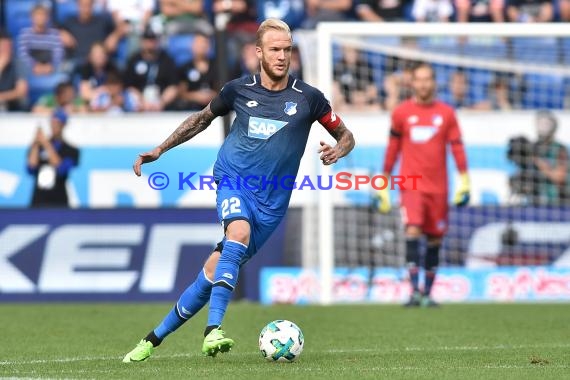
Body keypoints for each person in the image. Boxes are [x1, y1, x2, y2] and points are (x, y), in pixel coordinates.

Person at [123, 18, 355, 362]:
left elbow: (346, 135)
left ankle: (151, 340)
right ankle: (212, 330)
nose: (282, 56)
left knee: (213, 271)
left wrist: (338, 150)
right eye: (275, 49)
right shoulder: (238, 89)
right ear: (258, 52)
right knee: (239, 230)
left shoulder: (309, 99)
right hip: (233, 178)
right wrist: (160, 149)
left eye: (287, 50)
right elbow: (201, 119)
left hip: (272, 202)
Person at [376, 62, 470, 307]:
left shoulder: (447, 113)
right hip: (411, 185)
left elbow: (457, 147)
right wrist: (383, 179)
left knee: (434, 239)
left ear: (434, 82)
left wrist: (465, 179)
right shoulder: (401, 113)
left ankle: (427, 293)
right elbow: (393, 148)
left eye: (428, 78)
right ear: (412, 82)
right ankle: (413, 292)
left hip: (439, 188)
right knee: (413, 230)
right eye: (419, 79)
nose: (423, 83)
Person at [27, 109, 80, 208]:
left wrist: (47, 144)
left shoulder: (71, 150)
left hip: (59, 199)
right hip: (38, 199)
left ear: (63, 125)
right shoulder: (39, 146)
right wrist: (36, 143)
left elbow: (61, 169)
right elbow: (31, 167)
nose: (54, 126)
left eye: (57, 123)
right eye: (52, 123)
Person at [123, 26, 178, 111]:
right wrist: (142, 101)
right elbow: (129, 86)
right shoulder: (134, 60)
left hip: (162, 104)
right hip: (139, 104)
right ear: (142, 41)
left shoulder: (167, 60)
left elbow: (173, 86)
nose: (150, 43)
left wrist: (161, 102)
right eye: (147, 39)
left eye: (153, 39)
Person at [532, 111, 569, 205]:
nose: (543, 127)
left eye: (546, 123)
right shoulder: (531, 148)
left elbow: (559, 176)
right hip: (534, 202)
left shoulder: (560, 149)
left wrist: (540, 163)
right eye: (540, 123)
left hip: (555, 202)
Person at [174, 33, 218, 111]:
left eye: (205, 43)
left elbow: (223, 89)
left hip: (214, 109)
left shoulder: (217, 67)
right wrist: (195, 96)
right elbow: (180, 93)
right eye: (198, 43)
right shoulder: (185, 68)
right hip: (190, 110)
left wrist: (212, 95)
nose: (202, 46)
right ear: (192, 46)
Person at [17, 3, 64, 76]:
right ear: (31, 17)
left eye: (43, 15)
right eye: (37, 15)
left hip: (51, 69)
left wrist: (51, 66)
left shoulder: (54, 34)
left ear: (48, 18)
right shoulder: (25, 34)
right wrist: (34, 65)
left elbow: (59, 54)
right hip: (30, 70)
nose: (40, 18)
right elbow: (22, 54)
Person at [0, 29, 28, 112]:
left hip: (14, 107)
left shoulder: (18, 63)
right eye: (4, 46)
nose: (7, 49)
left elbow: (21, 91)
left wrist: (2, 97)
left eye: (9, 46)